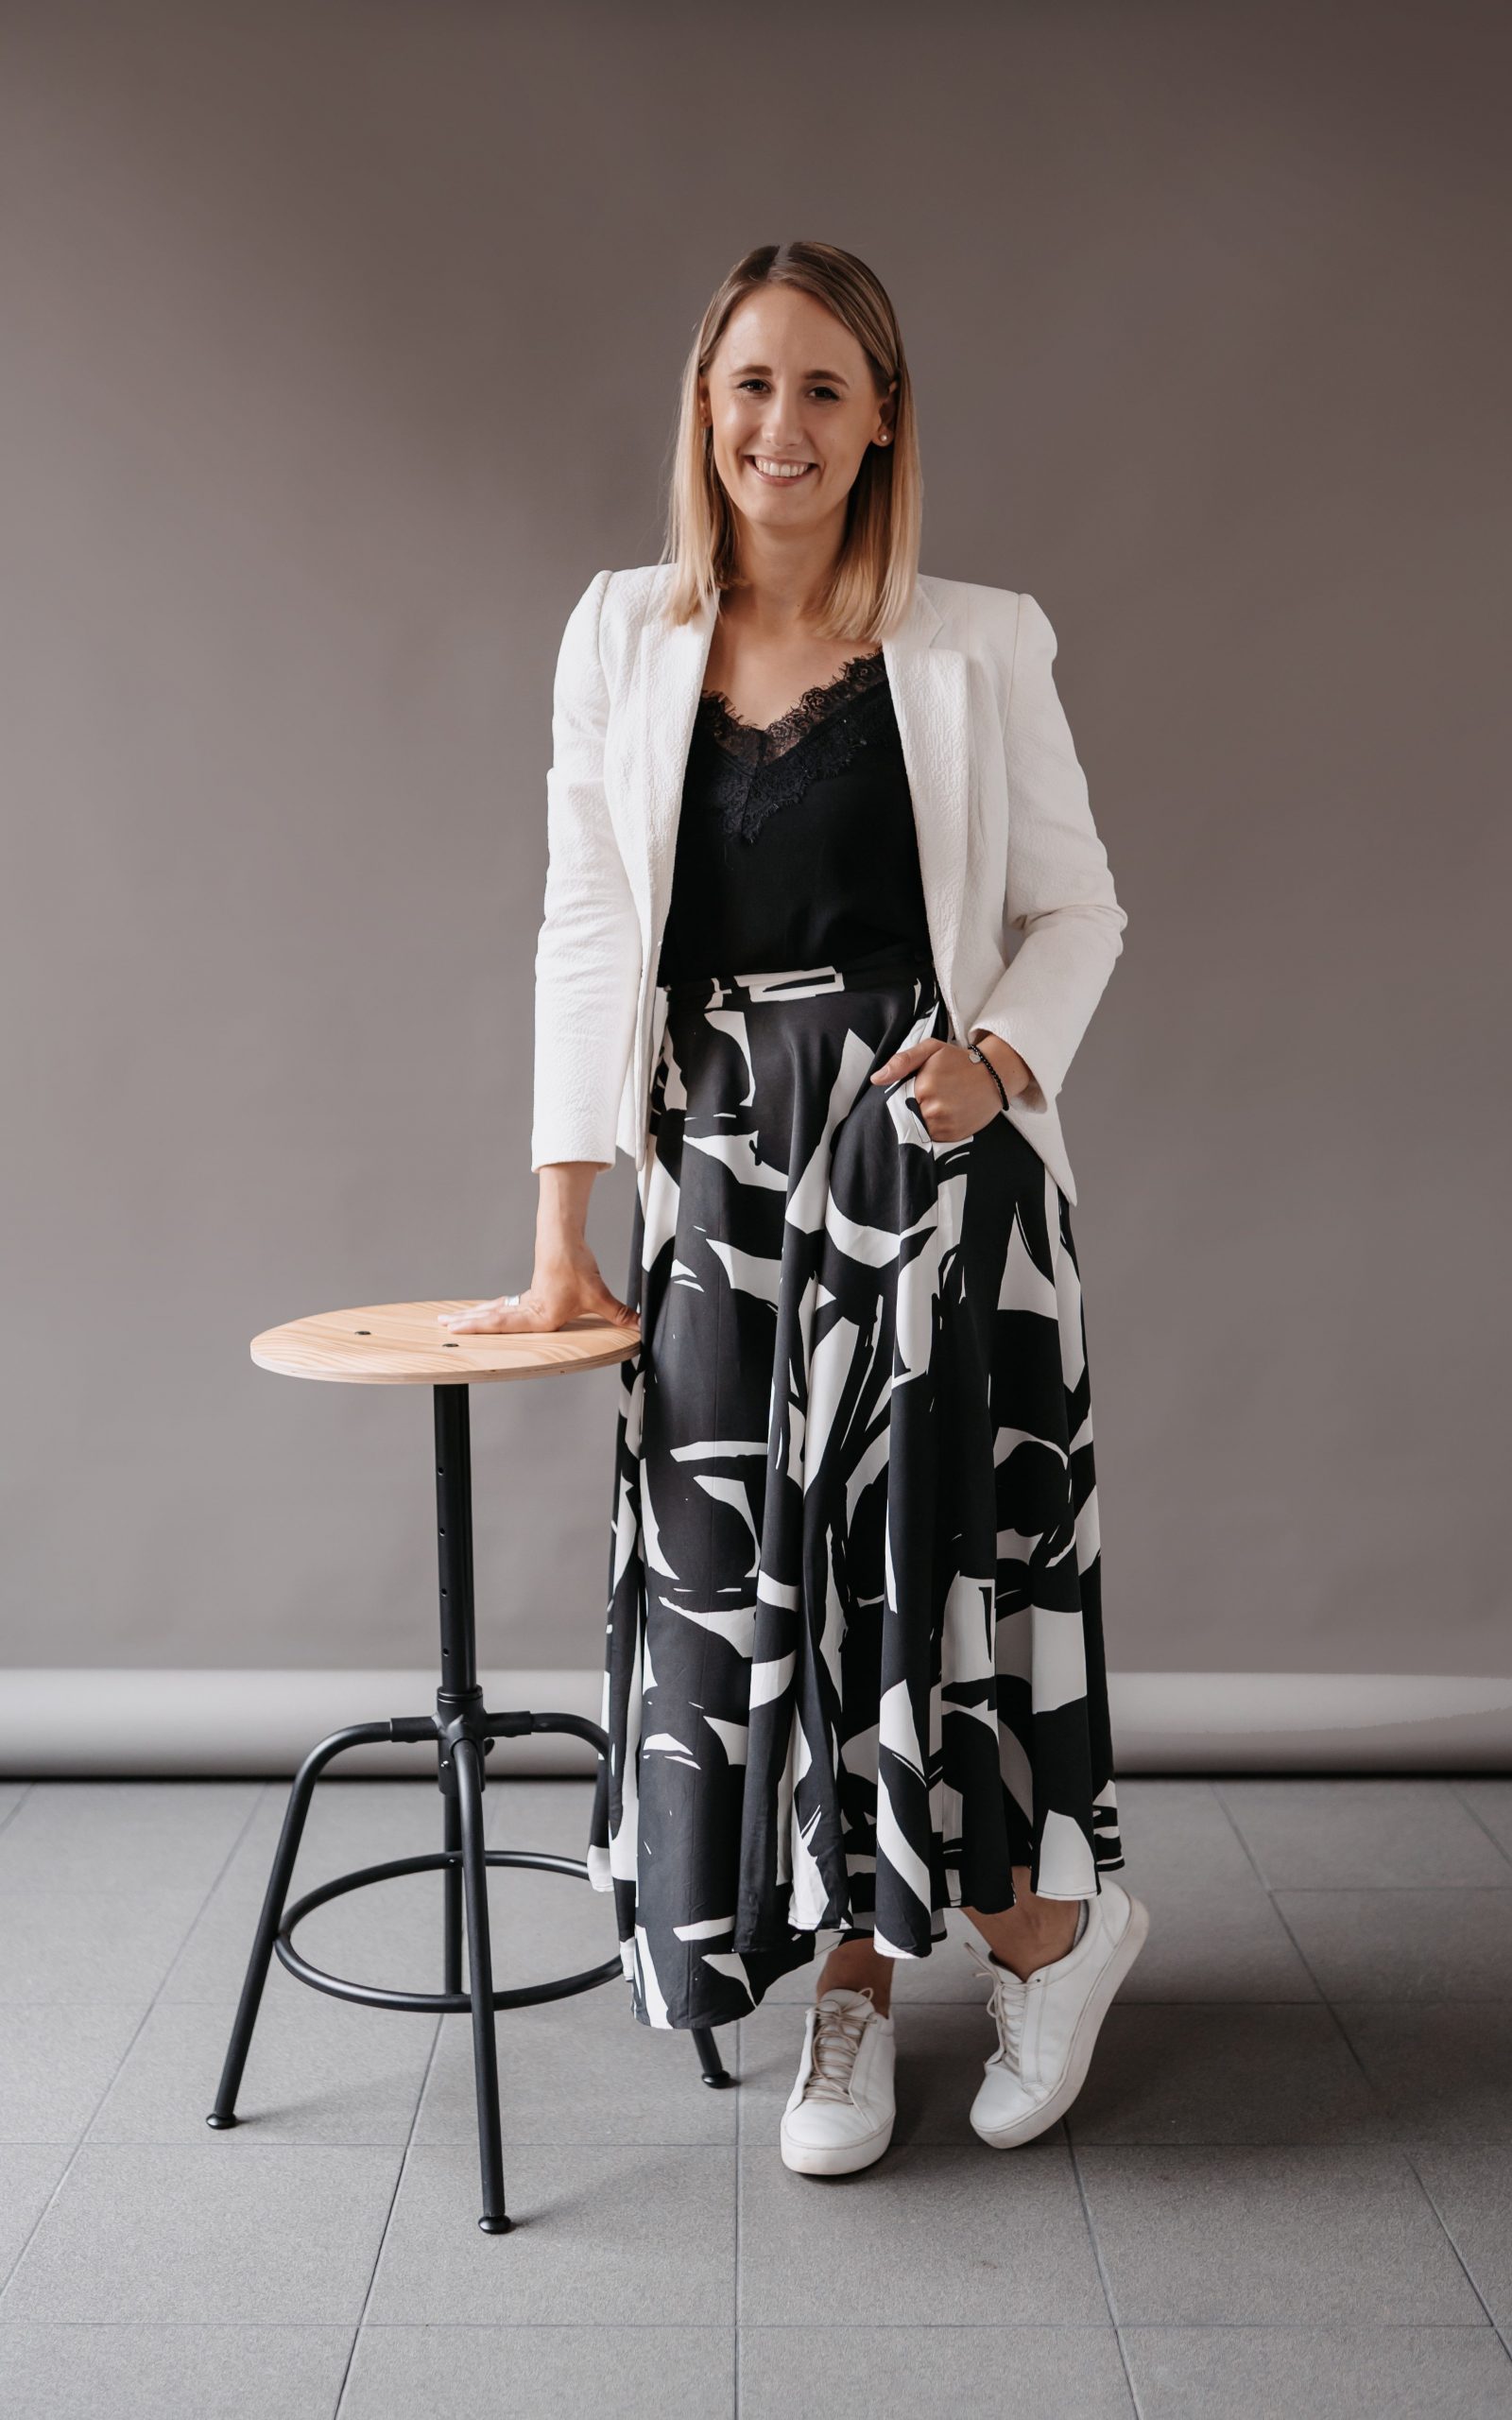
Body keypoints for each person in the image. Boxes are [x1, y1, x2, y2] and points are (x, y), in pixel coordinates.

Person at [441, 239, 1147, 2178]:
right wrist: (559, 1232)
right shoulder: (619, 633)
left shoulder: (978, 640)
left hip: (930, 1182)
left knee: (916, 1580)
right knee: (752, 1584)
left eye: (826, 387)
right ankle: (863, 1972)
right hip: (726, 1187)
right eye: (751, 382)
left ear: (882, 419)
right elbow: (589, 927)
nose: (783, 423)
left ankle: (1012, 1940)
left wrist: (997, 1061)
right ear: (703, 405)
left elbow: (1079, 910)